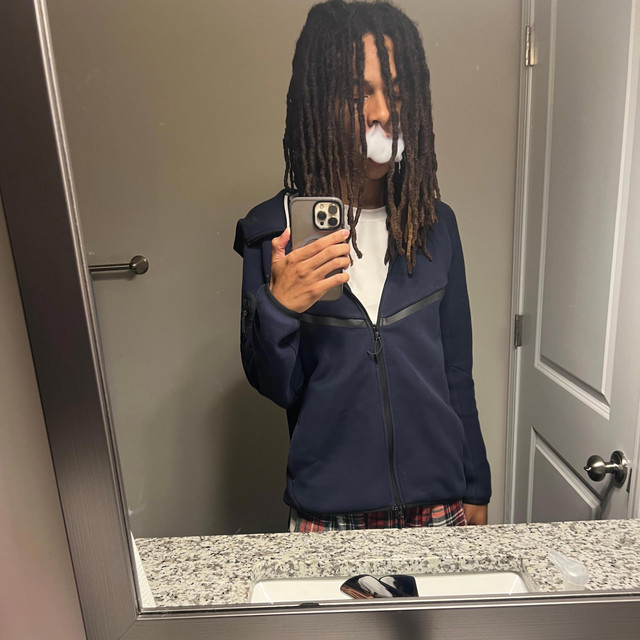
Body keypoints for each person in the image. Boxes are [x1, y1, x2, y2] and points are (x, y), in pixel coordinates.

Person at [233, 0, 491, 531]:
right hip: (328, 516)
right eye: (358, 95)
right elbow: (276, 387)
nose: (383, 113)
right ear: (319, 102)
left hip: (438, 507)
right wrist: (279, 309)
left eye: (395, 92)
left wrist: (475, 484)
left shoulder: (435, 225)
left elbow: (456, 371)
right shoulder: (274, 233)